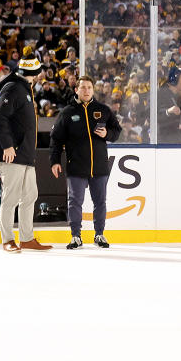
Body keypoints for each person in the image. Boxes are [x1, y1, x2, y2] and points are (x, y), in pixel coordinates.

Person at [50, 75, 122, 249]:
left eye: (89, 87)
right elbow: (56, 139)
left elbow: (117, 130)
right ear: (77, 90)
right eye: (83, 87)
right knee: (75, 201)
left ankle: (99, 234)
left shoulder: (103, 109)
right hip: (76, 165)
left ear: (93, 89)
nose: (86, 90)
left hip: (99, 166)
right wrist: (54, 161)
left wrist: (107, 135)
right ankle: (76, 236)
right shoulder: (67, 112)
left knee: (100, 202)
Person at [0, 56, 52, 252]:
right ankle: (7, 240)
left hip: (24, 155)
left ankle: (26, 238)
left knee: (30, 195)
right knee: (11, 198)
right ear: (37, 73)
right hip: (12, 155)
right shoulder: (14, 88)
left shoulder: (25, 89)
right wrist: (7, 145)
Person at [157, 67, 181, 144]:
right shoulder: (158, 94)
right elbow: (149, 115)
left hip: (177, 140)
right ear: (174, 81)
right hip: (163, 143)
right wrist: (168, 111)